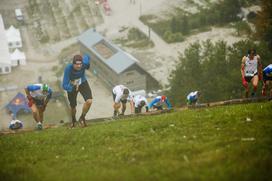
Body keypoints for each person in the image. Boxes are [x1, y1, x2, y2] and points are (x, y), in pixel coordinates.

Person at [62, 54, 92, 128]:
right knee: (73, 106)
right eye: (77, 64)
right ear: (73, 64)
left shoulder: (84, 63)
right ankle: (73, 121)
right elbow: (64, 85)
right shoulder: (68, 68)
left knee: (89, 101)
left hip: (82, 82)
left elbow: (87, 56)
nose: (79, 66)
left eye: (80, 64)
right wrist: (72, 87)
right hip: (72, 85)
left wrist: (88, 65)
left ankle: (82, 118)